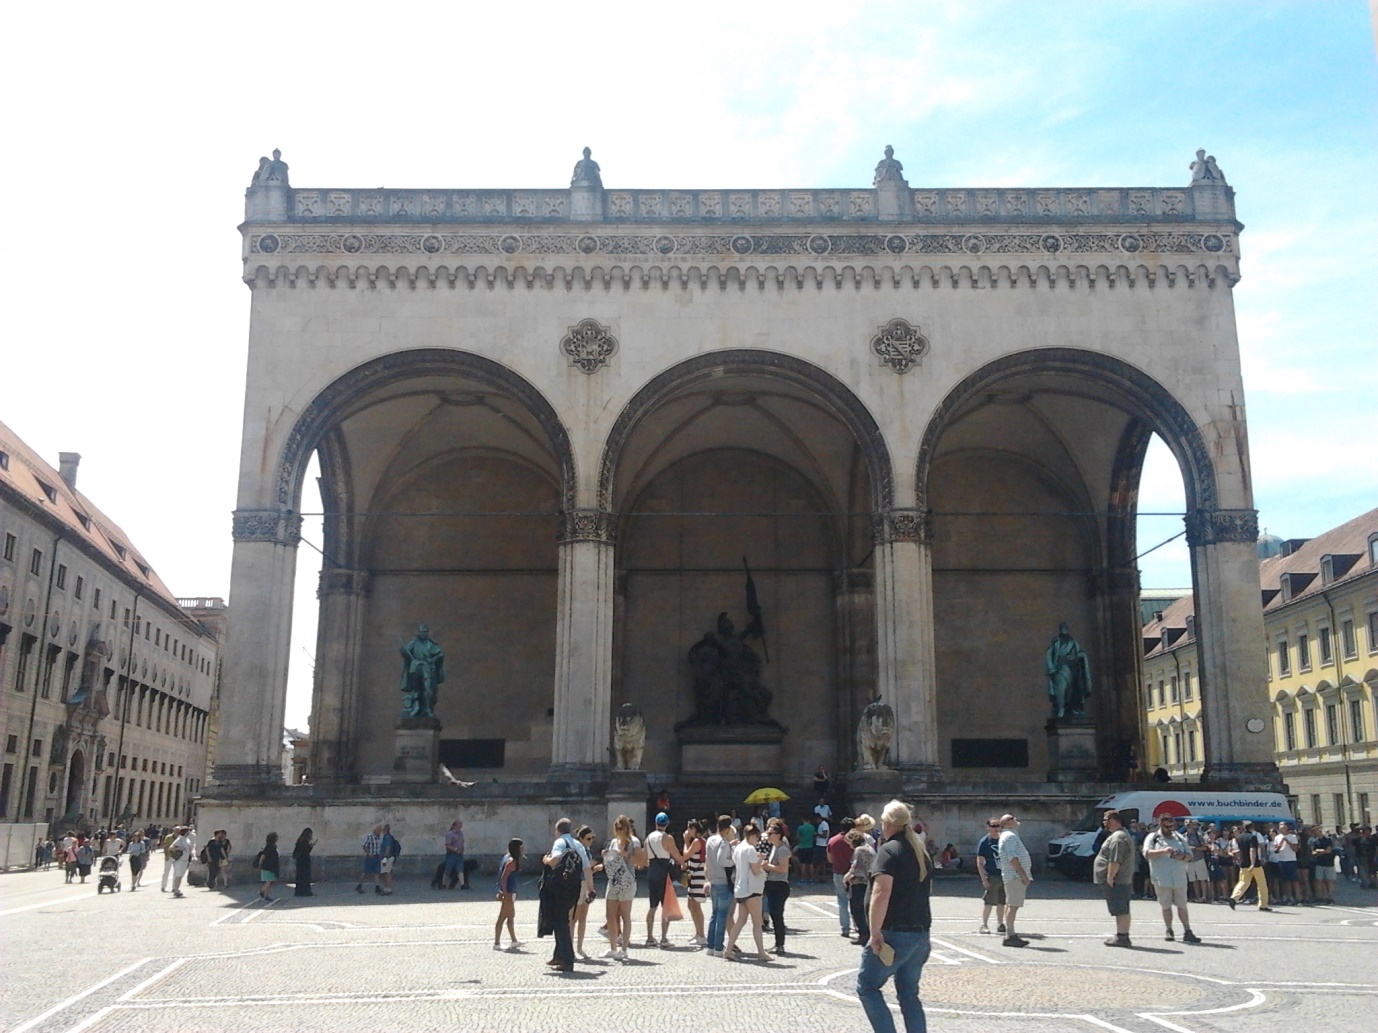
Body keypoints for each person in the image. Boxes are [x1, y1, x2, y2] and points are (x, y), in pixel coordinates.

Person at [855, 799, 933, 1033]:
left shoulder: (889, 850)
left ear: (887, 824)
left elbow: (881, 892)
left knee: (867, 987)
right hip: (920, 933)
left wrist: (875, 931)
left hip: (893, 931)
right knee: (909, 994)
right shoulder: (919, 850)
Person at [539, 817, 594, 973]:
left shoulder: (560, 843)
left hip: (559, 887)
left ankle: (567, 960)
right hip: (574, 888)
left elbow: (555, 861)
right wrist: (591, 889)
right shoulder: (578, 844)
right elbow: (587, 868)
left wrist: (546, 859)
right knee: (562, 919)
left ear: (557, 830)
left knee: (561, 922)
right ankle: (558, 955)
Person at [1142, 814, 1202, 943]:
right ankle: (1169, 930)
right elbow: (1146, 853)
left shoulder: (1179, 837)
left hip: (1179, 877)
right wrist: (1163, 851)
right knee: (1166, 906)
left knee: (1182, 905)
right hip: (1162, 878)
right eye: (1167, 826)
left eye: (1172, 826)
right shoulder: (1153, 838)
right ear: (1160, 824)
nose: (1170, 829)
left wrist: (1181, 856)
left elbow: (1190, 855)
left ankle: (1187, 930)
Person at [724, 823, 770, 962]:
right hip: (752, 889)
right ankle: (761, 952)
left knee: (741, 921)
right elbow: (755, 870)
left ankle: (728, 949)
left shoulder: (738, 848)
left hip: (740, 888)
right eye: (757, 838)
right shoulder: (750, 849)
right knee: (757, 922)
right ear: (753, 836)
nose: (758, 842)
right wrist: (761, 860)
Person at [601, 816, 643, 960]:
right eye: (617, 828)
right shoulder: (613, 842)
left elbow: (642, 862)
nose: (619, 831)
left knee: (625, 915)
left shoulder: (634, 842)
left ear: (627, 828)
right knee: (610, 914)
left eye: (622, 828)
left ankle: (624, 948)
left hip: (627, 881)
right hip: (614, 880)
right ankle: (613, 948)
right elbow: (612, 862)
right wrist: (604, 859)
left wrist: (626, 855)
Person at [1094, 810, 1135, 947]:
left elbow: (1115, 859)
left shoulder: (1118, 837)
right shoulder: (1118, 835)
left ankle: (1122, 937)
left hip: (1118, 880)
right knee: (1120, 908)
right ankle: (1121, 935)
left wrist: (1110, 876)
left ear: (1113, 820)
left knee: (1121, 909)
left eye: (1105, 819)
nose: (1103, 822)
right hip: (1120, 879)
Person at [644, 812, 684, 948]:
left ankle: (649, 937)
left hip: (651, 871)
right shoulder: (667, 838)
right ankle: (664, 938)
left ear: (656, 823)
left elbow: (645, 858)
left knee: (652, 906)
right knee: (665, 905)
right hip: (663, 873)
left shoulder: (648, 838)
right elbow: (678, 857)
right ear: (667, 824)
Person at [996, 813, 1032, 947]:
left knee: (1011, 904)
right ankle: (1010, 935)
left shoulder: (1009, 835)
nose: (1017, 820)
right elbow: (1012, 858)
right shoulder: (1010, 836)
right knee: (1013, 905)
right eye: (1013, 818)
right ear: (1007, 823)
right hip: (1014, 876)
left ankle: (1010, 933)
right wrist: (1023, 875)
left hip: (1012, 876)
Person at [704, 815, 736, 958]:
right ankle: (718, 947)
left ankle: (710, 946)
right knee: (722, 915)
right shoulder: (723, 842)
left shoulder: (710, 839)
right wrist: (733, 860)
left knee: (714, 914)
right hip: (723, 880)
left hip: (713, 880)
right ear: (728, 828)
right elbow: (722, 860)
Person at [398, 623, 444, 719]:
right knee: (415, 689)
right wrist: (403, 650)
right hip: (415, 667)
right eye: (421, 631)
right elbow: (405, 652)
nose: (423, 633)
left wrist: (433, 659)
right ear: (418, 632)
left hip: (427, 668)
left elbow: (440, 654)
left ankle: (427, 709)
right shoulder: (413, 643)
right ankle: (416, 706)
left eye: (425, 631)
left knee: (428, 689)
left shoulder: (431, 644)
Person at [570, 825, 601, 958]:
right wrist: (591, 865)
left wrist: (594, 868)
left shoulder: (587, 850)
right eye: (588, 838)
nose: (591, 840)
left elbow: (587, 871)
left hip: (586, 884)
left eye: (593, 838)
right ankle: (570, 948)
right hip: (577, 885)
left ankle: (580, 948)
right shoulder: (576, 850)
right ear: (581, 838)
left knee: (583, 917)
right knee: (573, 918)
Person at [1227, 820, 1271, 911]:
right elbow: (1252, 850)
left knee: (1243, 882)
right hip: (1255, 865)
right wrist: (1253, 863)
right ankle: (1263, 905)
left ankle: (1234, 898)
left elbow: (1238, 850)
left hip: (1243, 863)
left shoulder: (1239, 838)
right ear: (1252, 827)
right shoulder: (1252, 837)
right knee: (1262, 884)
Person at [763, 823, 792, 955]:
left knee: (777, 915)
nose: (767, 836)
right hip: (772, 884)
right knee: (774, 915)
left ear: (778, 835)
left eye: (770, 834)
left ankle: (780, 945)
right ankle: (777, 944)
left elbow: (783, 869)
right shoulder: (774, 847)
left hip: (779, 885)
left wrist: (767, 866)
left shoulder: (782, 849)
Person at [844, 827, 876, 943]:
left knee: (857, 910)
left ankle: (863, 934)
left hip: (860, 882)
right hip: (868, 882)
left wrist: (846, 877)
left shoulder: (859, 850)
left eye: (849, 842)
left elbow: (855, 867)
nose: (848, 845)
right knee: (864, 909)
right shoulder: (869, 848)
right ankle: (866, 933)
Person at [827, 817, 856, 939]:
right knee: (856, 901)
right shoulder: (856, 841)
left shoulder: (833, 841)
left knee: (842, 902)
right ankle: (859, 925)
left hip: (838, 872)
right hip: (854, 874)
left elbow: (829, 859)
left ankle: (845, 928)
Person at [975, 817, 1005, 935]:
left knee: (1002, 902)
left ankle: (1000, 924)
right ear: (988, 827)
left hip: (1004, 874)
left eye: (998, 826)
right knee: (989, 902)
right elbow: (980, 862)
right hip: (991, 875)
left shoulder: (1004, 839)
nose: (996, 828)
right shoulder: (985, 842)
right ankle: (984, 924)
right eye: (993, 826)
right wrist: (984, 879)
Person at [681, 819, 708, 945]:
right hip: (693, 875)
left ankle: (701, 934)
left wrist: (685, 841)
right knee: (691, 905)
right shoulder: (697, 841)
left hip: (698, 876)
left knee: (696, 906)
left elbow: (685, 855)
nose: (687, 831)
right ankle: (698, 933)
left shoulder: (697, 841)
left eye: (689, 828)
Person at [494, 838, 523, 951]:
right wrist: (505, 894)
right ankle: (496, 943)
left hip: (509, 891)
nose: (523, 849)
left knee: (510, 916)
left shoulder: (507, 857)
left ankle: (514, 940)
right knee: (502, 917)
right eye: (521, 847)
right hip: (508, 892)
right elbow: (504, 878)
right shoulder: (512, 861)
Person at [1272, 822, 1300, 905]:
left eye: (1283, 826)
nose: (1281, 828)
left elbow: (1296, 849)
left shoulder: (1293, 837)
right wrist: (1280, 844)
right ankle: (1286, 896)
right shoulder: (1277, 837)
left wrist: (1287, 841)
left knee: (1293, 880)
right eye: (1280, 826)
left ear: (1287, 827)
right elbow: (1276, 850)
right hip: (1281, 860)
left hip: (1291, 860)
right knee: (1284, 880)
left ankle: (1295, 897)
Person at [1310, 825, 1336, 904]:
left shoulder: (1328, 840)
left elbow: (1329, 850)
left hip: (1329, 863)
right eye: (1314, 830)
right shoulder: (1314, 841)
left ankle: (1330, 897)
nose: (1316, 831)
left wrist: (1319, 851)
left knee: (1329, 881)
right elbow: (1313, 853)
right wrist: (1322, 851)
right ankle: (1321, 897)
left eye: (1317, 830)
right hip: (1319, 863)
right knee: (1319, 881)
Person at [358, 823, 384, 895]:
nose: (379, 831)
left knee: (377, 872)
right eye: (378, 830)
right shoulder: (370, 837)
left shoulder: (380, 838)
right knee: (366, 872)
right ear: (375, 830)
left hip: (377, 856)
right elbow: (364, 846)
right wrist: (369, 853)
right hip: (370, 857)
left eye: (380, 830)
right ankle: (359, 885)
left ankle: (377, 887)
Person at [439, 819, 466, 890]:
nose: (460, 826)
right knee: (448, 869)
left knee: (460, 869)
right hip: (452, 855)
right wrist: (455, 849)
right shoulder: (450, 834)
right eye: (459, 825)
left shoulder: (460, 833)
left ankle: (462, 885)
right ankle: (443, 883)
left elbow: (462, 843)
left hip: (459, 854)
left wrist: (462, 850)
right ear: (455, 825)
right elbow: (447, 845)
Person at [253, 833, 280, 900]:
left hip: (271, 867)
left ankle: (263, 892)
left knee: (269, 881)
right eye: (276, 837)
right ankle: (265, 895)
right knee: (269, 881)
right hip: (268, 867)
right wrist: (259, 864)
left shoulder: (272, 846)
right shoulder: (269, 847)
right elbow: (263, 856)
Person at [169, 827, 193, 898]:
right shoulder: (179, 839)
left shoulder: (187, 840)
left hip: (185, 860)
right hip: (179, 860)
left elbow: (190, 849)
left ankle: (176, 888)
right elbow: (171, 848)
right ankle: (176, 890)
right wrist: (179, 848)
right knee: (178, 875)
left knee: (181, 876)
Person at [292, 828, 315, 896]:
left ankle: (299, 891)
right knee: (305, 877)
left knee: (300, 877)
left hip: (299, 861)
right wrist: (311, 846)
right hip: (304, 861)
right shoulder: (304, 842)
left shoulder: (300, 841)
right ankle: (306, 892)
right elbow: (306, 851)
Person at [380, 823, 401, 896]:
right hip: (389, 857)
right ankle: (387, 888)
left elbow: (388, 847)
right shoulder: (389, 837)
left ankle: (387, 889)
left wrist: (385, 858)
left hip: (387, 857)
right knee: (386, 872)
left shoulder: (387, 837)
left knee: (386, 873)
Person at [795, 816, 817, 883]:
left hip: (802, 846)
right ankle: (811, 879)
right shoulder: (812, 827)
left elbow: (797, 837)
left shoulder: (800, 828)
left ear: (803, 819)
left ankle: (803, 878)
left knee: (803, 863)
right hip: (810, 846)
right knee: (810, 863)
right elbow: (814, 835)